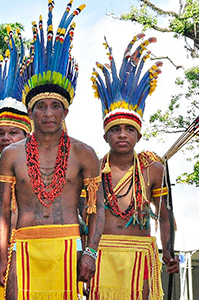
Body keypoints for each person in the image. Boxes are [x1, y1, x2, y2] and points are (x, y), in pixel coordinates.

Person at [0, 2, 106, 299]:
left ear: (65, 111)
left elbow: (97, 209)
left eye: (55, 105)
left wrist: (91, 252)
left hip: (68, 245)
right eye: (40, 106)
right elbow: (2, 212)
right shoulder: (13, 155)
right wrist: (3, 255)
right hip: (24, 244)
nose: (48, 113)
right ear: (30, 112)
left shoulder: (84, 153)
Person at [88, 33, 180, 300]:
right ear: (105, 135)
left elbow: (164, 216)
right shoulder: (94, 168)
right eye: (115, 129)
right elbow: (87, 215)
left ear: (138, 135)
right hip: (101, 252)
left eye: (129, 129)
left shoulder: (152, 169)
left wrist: (169, 252)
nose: (122, 135)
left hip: (140, 253)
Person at [0, 27, 31, 300]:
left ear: (27, 135)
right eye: (0, 133)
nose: (6, 138)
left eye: (14, 132)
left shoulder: (41, 170)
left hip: (30, 254)